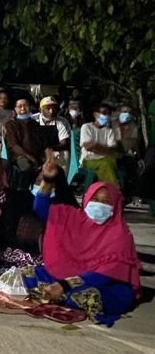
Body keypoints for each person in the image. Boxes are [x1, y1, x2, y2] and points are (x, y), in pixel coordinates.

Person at [25, 159, 140, 327]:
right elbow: (40, 209)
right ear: (86, 200)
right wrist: (48, 181)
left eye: (106, 202)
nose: (99, 205)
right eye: (95, 199)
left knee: (98, 295)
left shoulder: (120, 234)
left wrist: (64, 285)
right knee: (28, 274)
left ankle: (60, 295)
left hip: (102, 283)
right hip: (66, 274)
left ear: (116, 206)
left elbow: (104, 275)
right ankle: (60, 295)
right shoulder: (73, 218)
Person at [80, 103, 119, 185]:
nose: (107, 116)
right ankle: (114, 190)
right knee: (106, 164)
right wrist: (105, 149)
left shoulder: (109, 131)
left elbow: (113, 149)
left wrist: (96, 145)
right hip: (89, 160)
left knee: (109, 163)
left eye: (109, 114)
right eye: (104, 113)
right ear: (95, 114)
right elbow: (88, 146)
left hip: (107, 159)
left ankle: (106, 190)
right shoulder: (86, 127)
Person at [114, 104, 144, 198]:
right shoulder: (112, 125)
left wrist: (139, 158)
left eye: (129, 112)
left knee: (133, 165)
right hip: (112, 155)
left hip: (125, 155)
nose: (127, 114)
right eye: (124, 112)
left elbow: (134, 144)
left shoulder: (133, 127)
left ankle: (135, 194)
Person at [34, 96, 72, 170]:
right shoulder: (34, 119)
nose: (51, 111)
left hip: (56, 150)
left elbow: (64, 142)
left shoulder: (62, 121)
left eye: (54, 108)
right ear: (40, 109)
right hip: (36, 150)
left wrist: (50, 149)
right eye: (48, 109)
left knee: (65, 154)